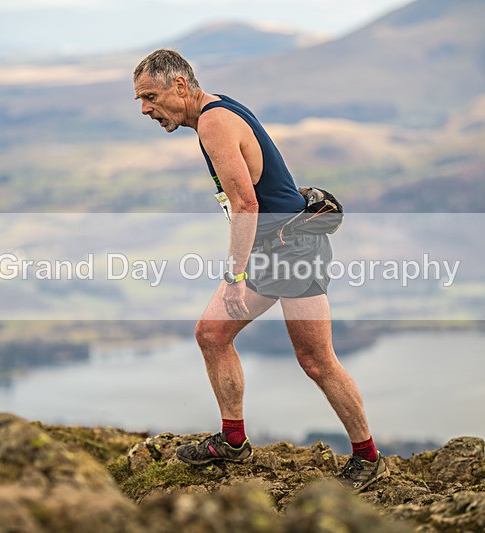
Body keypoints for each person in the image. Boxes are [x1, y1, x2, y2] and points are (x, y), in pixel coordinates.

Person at [132, 49, 388, 491]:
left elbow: (247, 204)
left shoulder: (214, 122)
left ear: (180, 85)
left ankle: (368, 457)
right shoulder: (217, 110)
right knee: (211, 334)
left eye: (150, 97)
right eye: (140, 100)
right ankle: (233, 442)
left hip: (293, 248)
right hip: (273, 246)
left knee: (316, 360)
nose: (145, 109)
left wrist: (235, 275)